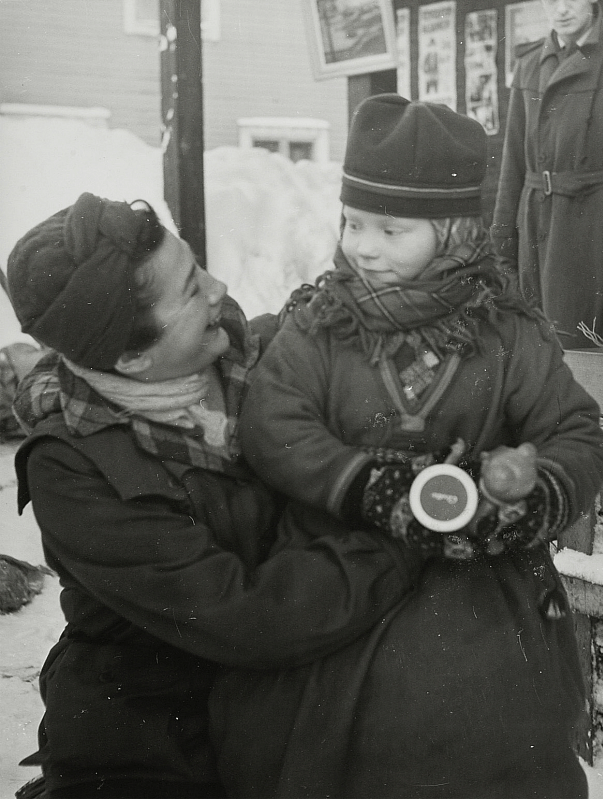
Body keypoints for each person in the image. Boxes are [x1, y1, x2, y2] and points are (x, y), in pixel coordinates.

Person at [208, 95, 603, 798]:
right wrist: (366, 484)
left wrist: (532, 488)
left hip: (479, 585)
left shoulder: (507, 333)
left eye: (391, 230)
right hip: (344, 575)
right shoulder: (320, 325)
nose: (364, 246)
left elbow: (572, 432)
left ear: (454, 231)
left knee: (478, 738)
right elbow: (275, 421)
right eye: (354, 223)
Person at [5, 192, 426, 799]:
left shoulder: (241, 352)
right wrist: (402, 543)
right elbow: (248, 617)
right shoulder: (75, 470)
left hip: (282, 694)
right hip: (153, 736)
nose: (218, 287)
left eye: (196, 266)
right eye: (189, 291)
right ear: (131, 355)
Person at [491, 0, 603, 350]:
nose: (560, 9)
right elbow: (512, 166)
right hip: (538, 233)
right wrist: (502, 252)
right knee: (544, 358)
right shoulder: (530, 64)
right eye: (551, 0)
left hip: (602, 235)